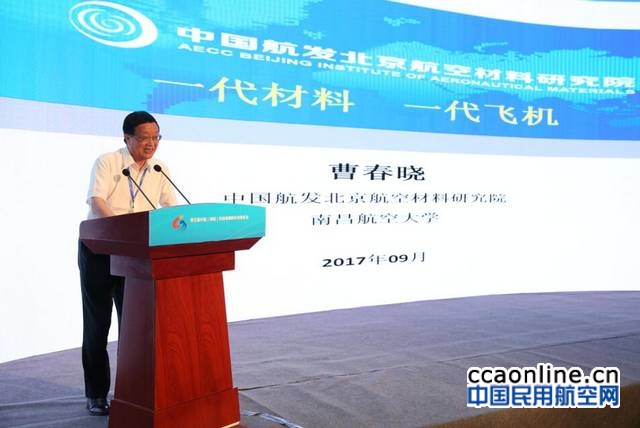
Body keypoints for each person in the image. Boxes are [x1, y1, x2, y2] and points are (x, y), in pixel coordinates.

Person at [78, 111, 177, 416]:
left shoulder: (160, 168)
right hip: (101, 249)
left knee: (134, 327)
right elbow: (97, 201)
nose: (152, 143)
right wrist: (123, 231)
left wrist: (181, 227)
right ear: (127, 137)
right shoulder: (108, 162)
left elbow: (170, 208)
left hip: (137, 255)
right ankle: (96, 394)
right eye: (145, 137)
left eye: (156, 137)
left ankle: (131, 391)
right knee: (97, 324)